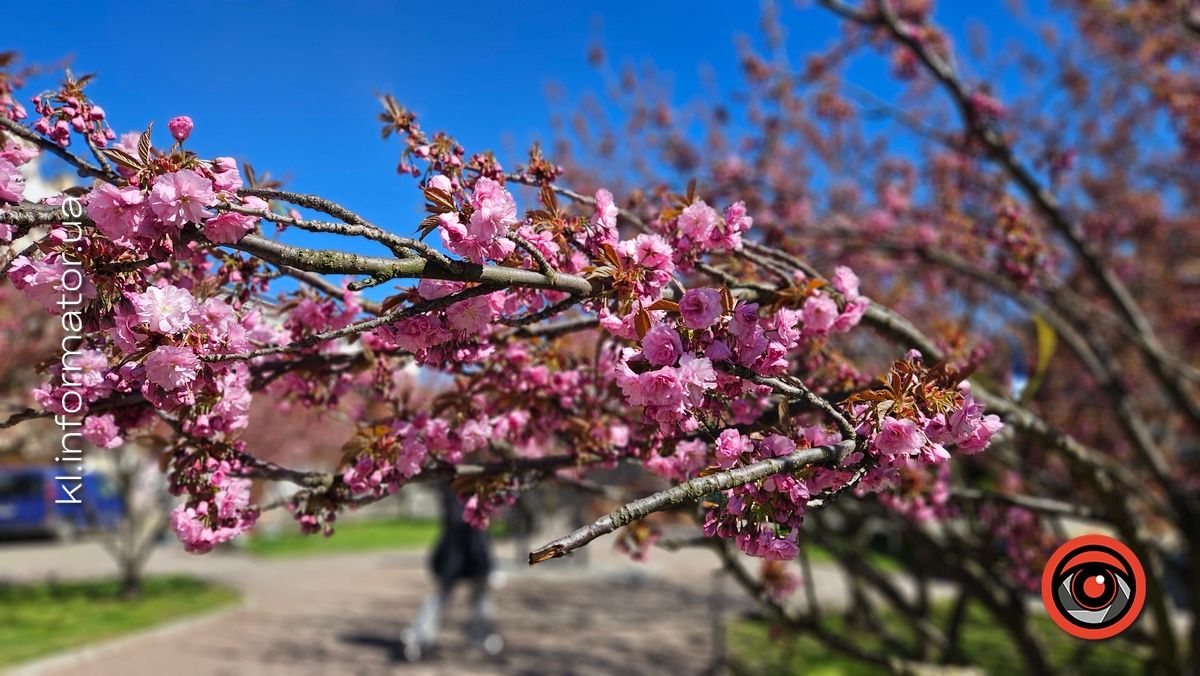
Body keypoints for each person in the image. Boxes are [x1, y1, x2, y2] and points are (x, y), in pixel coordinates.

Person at [398, 483, 503, 661]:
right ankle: (419, 635)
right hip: (458, 553)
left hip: (470, 553)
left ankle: (482, 636)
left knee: (477, 598)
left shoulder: (468, 488)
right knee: (447, 596)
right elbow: (458, 522)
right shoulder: (457, 490)